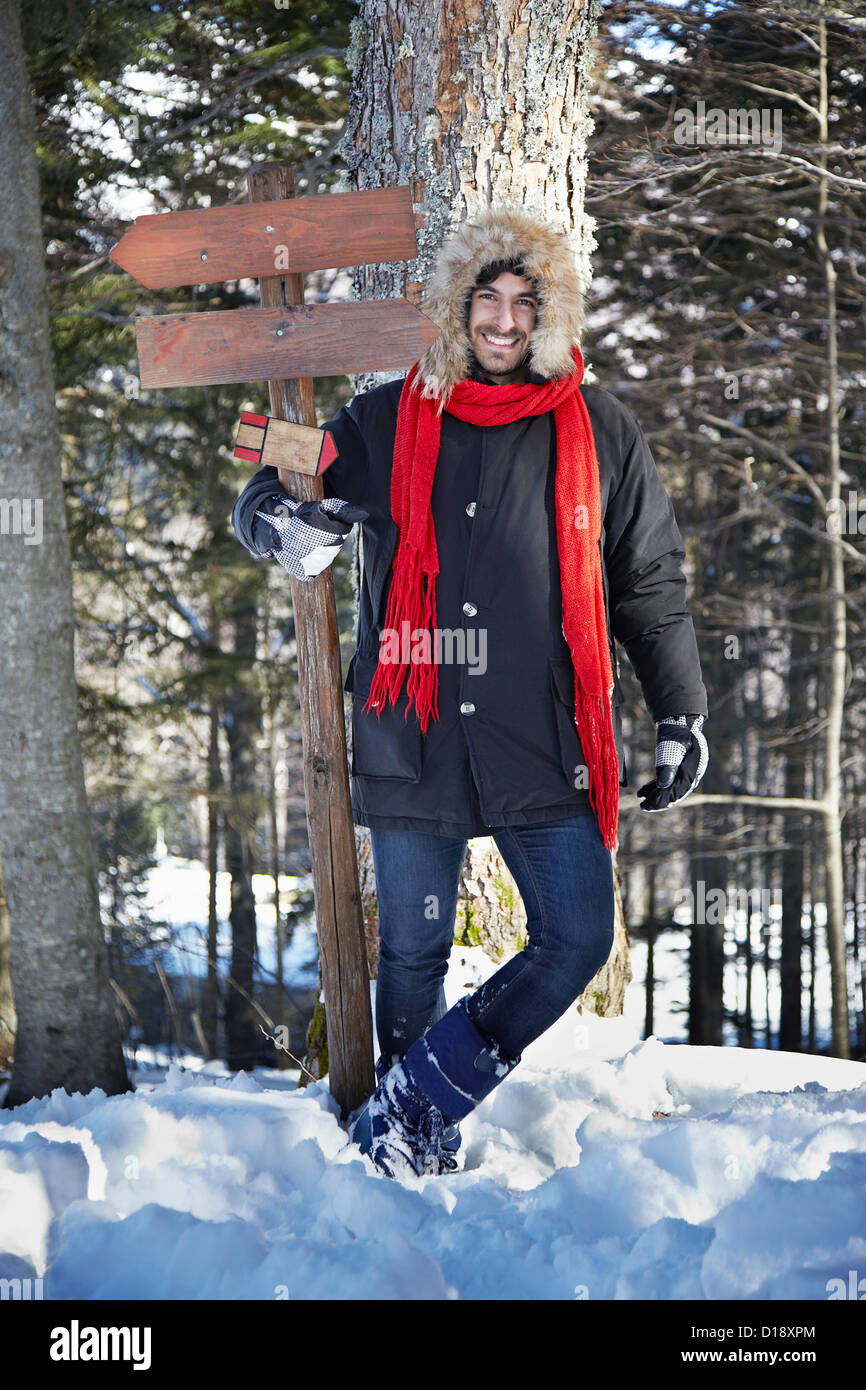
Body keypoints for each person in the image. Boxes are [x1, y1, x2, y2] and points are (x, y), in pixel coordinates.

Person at [231, 206, 709, 1180]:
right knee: (407, 956)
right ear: (454, 311)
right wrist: (280, 525)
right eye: (481, 300)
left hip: (542, 733)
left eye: (520, 302)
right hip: (415, 730)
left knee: (575, 934)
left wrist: (679, 711)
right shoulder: (387, 418)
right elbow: (267, 478)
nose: (500, 320)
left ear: (550, 314)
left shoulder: (599, 430)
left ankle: (419, 1098)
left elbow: (648, 583)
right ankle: (400, 1151)